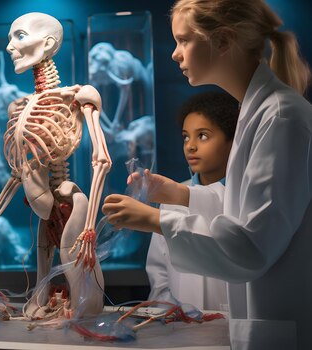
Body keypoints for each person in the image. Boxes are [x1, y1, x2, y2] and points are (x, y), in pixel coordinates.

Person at [102, 0, 312, 348]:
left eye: (184, 40)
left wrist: (157, 220)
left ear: (224, 41)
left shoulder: (280, 117)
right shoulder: (259, 112)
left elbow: (251, 247)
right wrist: (181, 196)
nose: (175, 54)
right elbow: (249, 211)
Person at [146, 91, 238, 311]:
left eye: (203, 136)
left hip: (231, 323)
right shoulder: (172, 197)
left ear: (232, 141)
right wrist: (169, 311)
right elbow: (159, 270)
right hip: (180, 326)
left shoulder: (243, 195)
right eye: (186, 136)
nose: (190, 146)